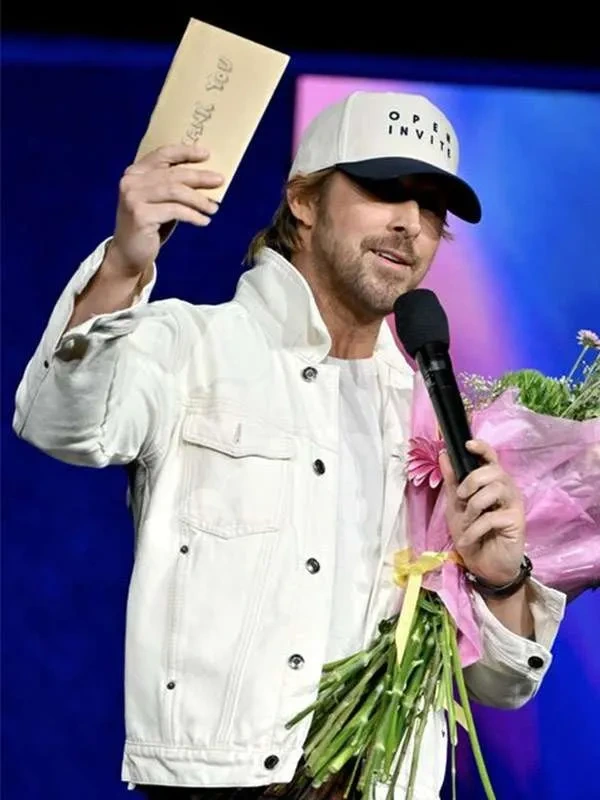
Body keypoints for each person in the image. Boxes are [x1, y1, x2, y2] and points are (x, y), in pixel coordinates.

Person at [13, 91, 566, 800]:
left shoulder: (435, 421)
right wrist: (123, 264)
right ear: (303, 199)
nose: (409, 223)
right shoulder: (193, 347)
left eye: (432, 208)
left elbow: (499, 685)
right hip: (221, 786)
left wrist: (500, 579)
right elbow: (56, 422)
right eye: (384, 190)